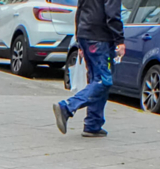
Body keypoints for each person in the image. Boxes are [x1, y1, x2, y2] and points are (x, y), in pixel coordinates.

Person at [53, 0, 125, 138]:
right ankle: (67, 107)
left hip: (86, 35)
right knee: (103, 81)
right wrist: (120, 40)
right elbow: (112, 14)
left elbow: (80, 10)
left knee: (95, 80)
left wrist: (79, 40)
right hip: (100, 38)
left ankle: (93, 124)